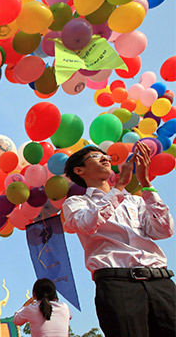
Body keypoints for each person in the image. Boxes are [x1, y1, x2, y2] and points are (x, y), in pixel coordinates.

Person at [62, 143, 175, 337]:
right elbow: (87, 224)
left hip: (161, 281)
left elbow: (164, 230)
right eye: (97, 157)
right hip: (117, 283)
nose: (106, 159)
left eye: (107, 156)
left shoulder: (135, 200)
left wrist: (146, 183)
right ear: (79, 170)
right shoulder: (76, 203)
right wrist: (119, 186)